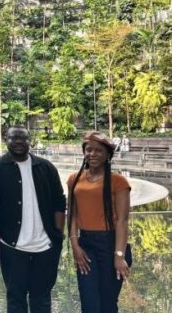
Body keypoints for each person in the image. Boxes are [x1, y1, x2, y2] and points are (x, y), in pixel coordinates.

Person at [0, 126, 66, 313]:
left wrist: (57, 234)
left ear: (29, 140)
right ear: (5, 140)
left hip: (45, 246)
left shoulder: (46, 167)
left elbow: (59, 201)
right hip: (12, 246)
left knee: (42, 299)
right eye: (13, 138)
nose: (18, 142)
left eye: (23, 138)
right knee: (15, 299)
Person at [67, 131, 131, 313]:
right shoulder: (74, 179)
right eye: (88, 150)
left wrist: (119, 255)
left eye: (98, 151)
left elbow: (122, 221)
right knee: (89, 303)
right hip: (86, 244)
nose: (92, 154)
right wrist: (75, 246)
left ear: (108, 155)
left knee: (108, 303)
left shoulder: (119, 181)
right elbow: (71, 214)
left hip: (110, 243)